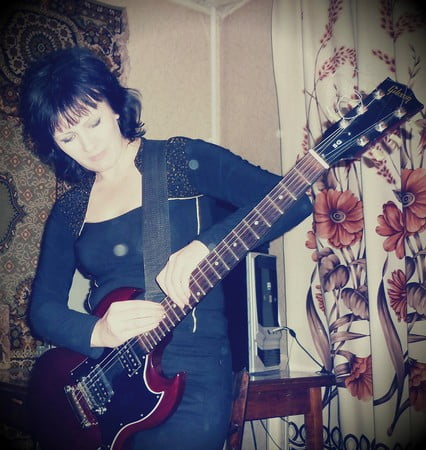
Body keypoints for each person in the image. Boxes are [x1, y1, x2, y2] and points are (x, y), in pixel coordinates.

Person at [20, 46, 312, 449]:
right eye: (68, 137)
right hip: (106, 378)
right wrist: (98, 330)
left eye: (93, 122)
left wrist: (205, 246)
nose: (87, 145)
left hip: (190, 377)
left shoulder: (180, 158)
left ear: (115, 106)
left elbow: (293, 201)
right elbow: (43, 310)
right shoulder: (70, 208)